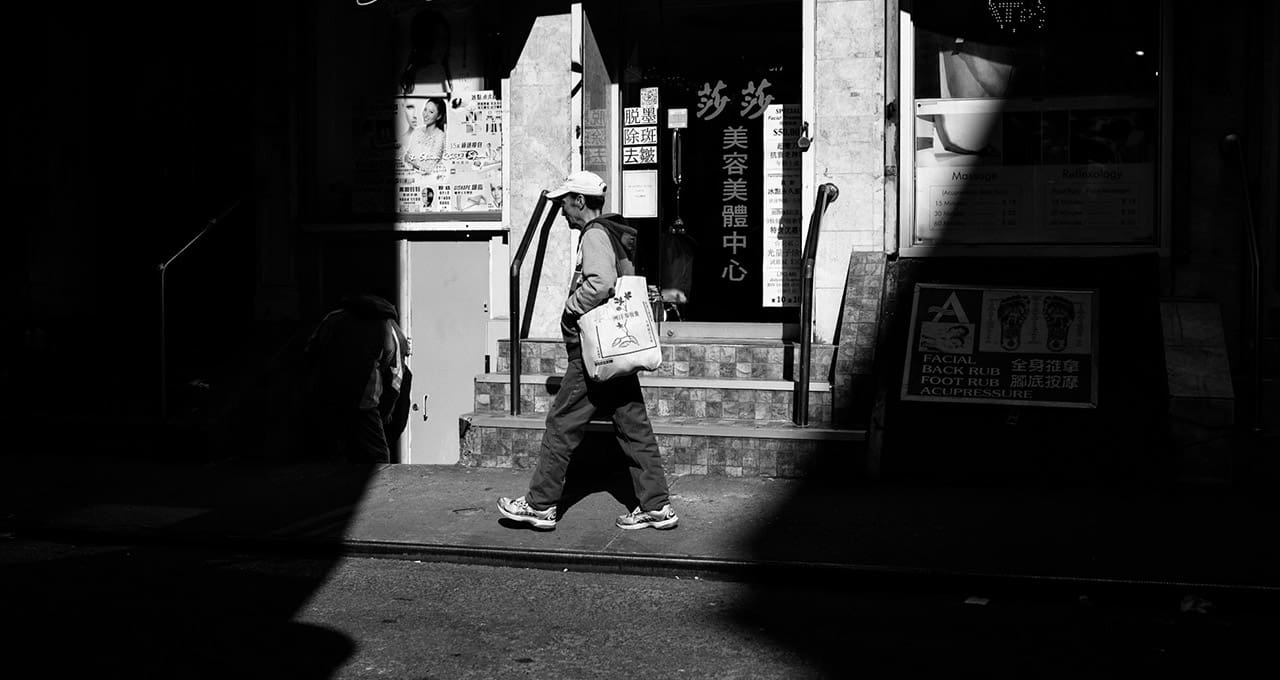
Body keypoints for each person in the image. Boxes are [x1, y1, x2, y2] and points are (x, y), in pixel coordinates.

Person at [498, 171, 679, 531]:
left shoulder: (595, 235)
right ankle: (656, 506)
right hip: (618, 351)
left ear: (580, 201)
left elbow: (600, 284)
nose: (563, 210)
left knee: (561, 424)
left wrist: (571, 306)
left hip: (595, 354)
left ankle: (540, 504)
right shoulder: (615, 234)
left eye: (566, 202)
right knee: (633, 427)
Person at [301, 293, 412, 464]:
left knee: (333, 453)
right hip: (364, 400)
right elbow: (396, 377)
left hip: (329, 395)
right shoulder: (389, 328)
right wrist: (387, 411)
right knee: (378, 459)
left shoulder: (334, 318)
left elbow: (311, 352)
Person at [401, 97, 447, 175]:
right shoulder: (417, 131)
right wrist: (414, 163)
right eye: (425, 110)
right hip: (410, 176)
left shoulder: (440, 136)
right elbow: (406, 156)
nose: (426, 114)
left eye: (431, 112)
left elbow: (429, 168)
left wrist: (412, 162)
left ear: (439, 116)